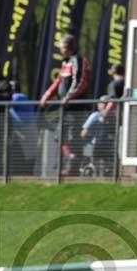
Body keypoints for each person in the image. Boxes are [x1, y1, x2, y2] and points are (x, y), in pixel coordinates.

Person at [40, 34, 91, 175]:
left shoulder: (79, 60)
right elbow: (58, 82)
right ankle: (69, 161)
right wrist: (47, 95)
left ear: (67, 47)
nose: (59, 48)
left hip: (77, 108)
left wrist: (69, 96)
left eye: (60, 46)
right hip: (66, 108)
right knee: (59, 135)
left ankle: (73, 167)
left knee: (72, 136)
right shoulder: (65, 62)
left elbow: (81, 81)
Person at [81, 95, 113, 174]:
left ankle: (83, 167)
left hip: (95, 144)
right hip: (107, 145)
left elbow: (83, 133)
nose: (98, 104)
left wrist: (84, 137)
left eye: (100, 103)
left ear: (104, 105)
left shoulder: (95, 115)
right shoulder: (114, 116)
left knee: (87, 148)